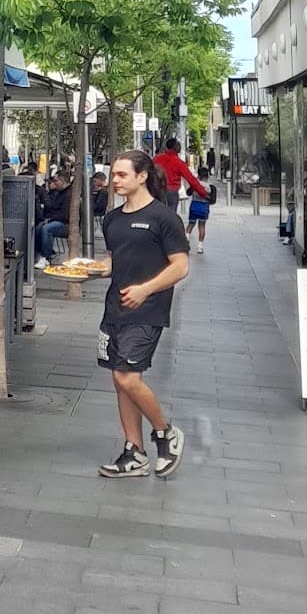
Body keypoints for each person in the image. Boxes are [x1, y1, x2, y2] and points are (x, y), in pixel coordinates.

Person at [98, 150, 189, 480]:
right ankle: (133, 451)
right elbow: (114, 262)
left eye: (122, 175)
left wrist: (145, 289)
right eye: (113, 175)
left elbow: (180, 267)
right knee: (119, 380)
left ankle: (165, 434)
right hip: (115, 309)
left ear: (142, 176)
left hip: (147, 310)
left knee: (128, 377)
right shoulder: (111, 219)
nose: (115, 181)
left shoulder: (164, 219)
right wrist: (92, 271)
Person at [153, 138, 207, 216]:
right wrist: (204, 193)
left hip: (158, 190)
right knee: (171, 215)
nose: (180, 146)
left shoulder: (157, 158)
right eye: (178, 144)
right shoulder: (178, 162)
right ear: (175, 147)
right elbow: (191, 179)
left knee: (158, 214)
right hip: (172, 191)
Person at [35, 173, 71, 267]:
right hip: (56, 219)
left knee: (46, 229)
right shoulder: (59, 193)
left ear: (62, 181)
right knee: (39, 227)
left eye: (56, 181)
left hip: (65, 223)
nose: (55, 183)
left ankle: (45, 256)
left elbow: (64, 215)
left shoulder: (68, 195)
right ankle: (40, 252)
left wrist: (50, 219)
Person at [186, 163, 213, 254]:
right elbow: (211, 199)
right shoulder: (209, 187)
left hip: (194, 205)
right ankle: (200, 247)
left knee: (190, 225)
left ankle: (186, 242)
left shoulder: (195, 184)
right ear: (207, 176)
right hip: (204, 207)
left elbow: (188, 193)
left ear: (199, 175)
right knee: (202, 226)